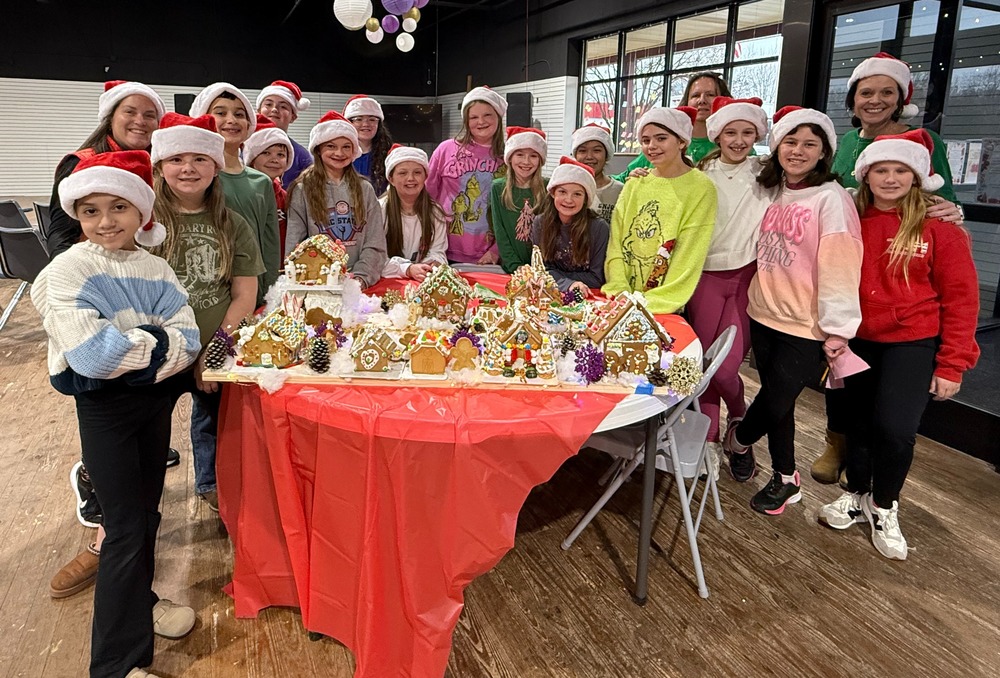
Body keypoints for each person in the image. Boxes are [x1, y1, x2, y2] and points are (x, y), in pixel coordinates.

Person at [32, 150, 201, 678]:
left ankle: (140, 603)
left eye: (118, 208)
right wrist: (156, 346)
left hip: (149, 404)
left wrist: (133, 348)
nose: (105, 222)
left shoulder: (156, 267)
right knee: (124, 525)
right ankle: (116, 665)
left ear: (140, 212)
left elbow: (190, 338)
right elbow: (93, 357)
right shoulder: (68, 270)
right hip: (103, 408)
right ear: (77, 216)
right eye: (90, 211)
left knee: (146, 512)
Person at [818, 129, 979, 560]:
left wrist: (952, 364)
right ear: (866, 176)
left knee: (896, 428)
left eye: (901, 171)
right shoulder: (851, 217)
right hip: (856, 340)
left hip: (911, 342)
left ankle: (884, 504)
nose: (890, 179)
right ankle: (856, 492)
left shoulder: (940, 228)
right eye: (881, 170)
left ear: (918, 177)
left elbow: (962, 299)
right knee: (857, 425)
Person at [814, 51, 965, 487]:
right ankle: (837, 443)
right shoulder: (844, 144)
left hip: (901, 291)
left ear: (900, 98)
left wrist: (949, 218)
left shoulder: (923, 140)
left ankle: (875, 480)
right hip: (850, 282)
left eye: (886, 92)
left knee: (885, 407)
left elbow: (943, 202)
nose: (875, 100)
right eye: (866, 92)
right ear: (853, 98)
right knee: (841, 382)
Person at [722, 107, 863, 516]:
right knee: (777, 401)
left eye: (809, 144)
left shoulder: (832, 199)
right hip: (763, 311)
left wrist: (838, 329)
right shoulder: (770, 187)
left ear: (824, 152)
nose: (798, 151)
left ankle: (739, 437)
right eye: (790, 141)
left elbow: (841, 264)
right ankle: (786, 477)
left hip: (807, 323)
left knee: (774, 398)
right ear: (777, 145)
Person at [149, 112, 265, 512]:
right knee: (147, 431)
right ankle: (135, 504)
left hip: (213, 348)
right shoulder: (142, 222)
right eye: (177, 158)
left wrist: (214, 351)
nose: (188, 168)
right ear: (160, 166)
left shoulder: (232, 225)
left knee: (215, 425)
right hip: (154, 353)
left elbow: (244, 294)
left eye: (200, 159)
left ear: (216, 166)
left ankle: (212, 487)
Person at [688, 96, 775, 474]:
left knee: (726, 370)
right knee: (705, 365)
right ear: (717, 135)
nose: (738, 140)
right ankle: (708, 436)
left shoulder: (770, 174)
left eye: (747, 132)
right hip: (704, 275)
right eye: (730, 132)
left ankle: (739, 426)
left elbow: (821, 189)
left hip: (746, 277)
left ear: (757, 134)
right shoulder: (700, 176)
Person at [601, 106, 717, 314]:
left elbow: (689, 255)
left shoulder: (701, 188)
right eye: (646, 140)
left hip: (662, 306)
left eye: (661, 138)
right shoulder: (636, 184)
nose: (652, 146)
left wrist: (650, 302)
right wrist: (620, 290)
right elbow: (616, 243)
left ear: (681, 141)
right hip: (622, 301)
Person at [46, 80, 167, 259]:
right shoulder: (81, 163)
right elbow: (61, 236)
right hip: (95, 267)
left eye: (149, 115)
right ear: (110, 118)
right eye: (129, 112)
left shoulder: (162, 166)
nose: (140, 121)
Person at [190, 82, 279, 306]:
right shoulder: (196, 179)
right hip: (210, 291)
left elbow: (270, 242)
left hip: (255, 287)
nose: (231, 120)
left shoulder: (261, 182)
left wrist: (270, 290)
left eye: (239, 114)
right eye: (220, 113)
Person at [284, 110, 387, 289]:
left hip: (360, 283)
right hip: (316, 284)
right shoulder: (302, 189)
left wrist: (360, 279)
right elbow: (295, 246)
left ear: (354, 150)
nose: (339, 153)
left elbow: (375, 244)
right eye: (331, 146)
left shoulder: (365, 189)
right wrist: (316, 279)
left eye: (346, 146)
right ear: (318, 149)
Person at [426, 85, 507, 265]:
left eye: (487, 115)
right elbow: (427, 195)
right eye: (474, 117)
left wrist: (496, 251)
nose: (481, 121)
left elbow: (511, 210)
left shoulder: (508, 156)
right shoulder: (446, 149)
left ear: (498, 117)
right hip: (444, 250)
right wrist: (430, 245)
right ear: (466, 121)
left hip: (489, 256)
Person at [613, 72, 731, 181]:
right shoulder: (664, 144)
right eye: (695, 95)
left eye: (710, 95)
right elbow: (620, 180)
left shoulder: (732, 145)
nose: (702, 100)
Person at [530, 156, 609, 296]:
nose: (568, 200)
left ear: (586, 199)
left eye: (577, 194)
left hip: (587, 294)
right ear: (553, 193)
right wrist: (567, 283)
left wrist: (557, 277)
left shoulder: (599, 228)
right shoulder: (540, 223)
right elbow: (541, 269)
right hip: (550, 292)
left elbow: (597, 278)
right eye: (562, 192)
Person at [379, 144, 447, 280]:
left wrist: (432, 264)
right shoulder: (379, 210)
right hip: (388, 281)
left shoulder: (435, 212)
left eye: (417, 172)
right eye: (403, 173)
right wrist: (407, 269)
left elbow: (438, 250)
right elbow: (375, 258)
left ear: (425, 177)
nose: (410, 178)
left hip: (423, 279)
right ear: (391, 179)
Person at [490, 126, 548, 272]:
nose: (526, 161)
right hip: (512, 269)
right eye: (520, 155)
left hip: (544, 269)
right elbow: (500, 232)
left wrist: (542, 267)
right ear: (510, 157)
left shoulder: (548, 187)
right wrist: (515, 266)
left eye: (533, 156)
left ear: (540, 160)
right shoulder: (498, 188)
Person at [244, 115, 294, 258]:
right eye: (266, 153)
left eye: (281, 155)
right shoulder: (243, 194)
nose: (274, 159)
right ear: (252, 159)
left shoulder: (285, 197)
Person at [255, 79, 313, 187]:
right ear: (259, 111)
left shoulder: (302, 156)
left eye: (283, 106)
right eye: (268, 104)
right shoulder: (242, 146)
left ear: (293, 117)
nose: (274, 109)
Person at [571, 124, 623, 223]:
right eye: (582, 151)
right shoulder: (567, 190)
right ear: (575, 155)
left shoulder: (620, 191)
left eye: (596, 150)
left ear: (606, 154)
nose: (589, 156)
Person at [344, 94, 393, 197]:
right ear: (349, 123)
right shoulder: (339, 155)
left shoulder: (390, 155)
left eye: (372, 119)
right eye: (358, 119)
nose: (366, 124)